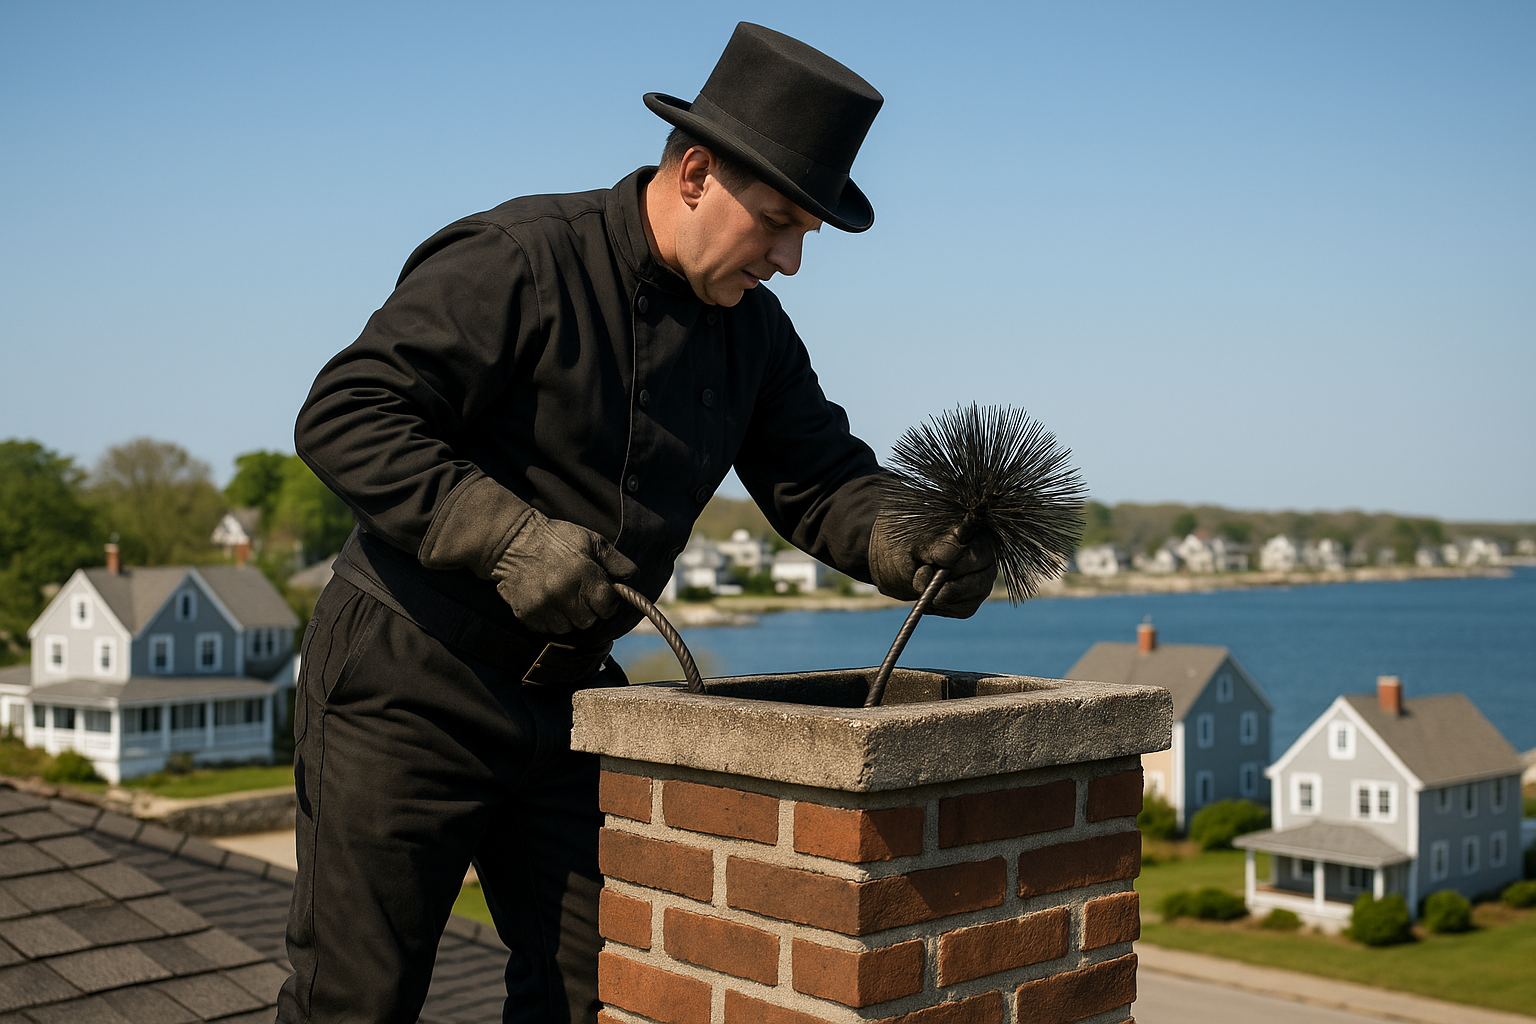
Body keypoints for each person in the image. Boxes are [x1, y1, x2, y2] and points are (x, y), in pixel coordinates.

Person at [279, 22, 997, 1024]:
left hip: (575, 702)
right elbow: (347, 412)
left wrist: (908, 539)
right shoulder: (517, 259)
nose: (790, 260)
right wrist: (505, 538)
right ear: (695, 173)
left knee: (604, 993)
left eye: (805, 234)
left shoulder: (755, 333)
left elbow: (823, 479)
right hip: (406, 684)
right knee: (357, 1004)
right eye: (777, 223)